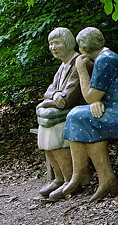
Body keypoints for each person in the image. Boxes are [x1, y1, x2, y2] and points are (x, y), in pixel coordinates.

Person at [48, 27, 118, 202]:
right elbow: (97, 95)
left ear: (83, 48)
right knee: (82, 118)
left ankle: (79, 176)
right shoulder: (105, 56)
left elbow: (90, 95)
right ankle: (104, 179)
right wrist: (96, 101)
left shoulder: (105, 60)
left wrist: (81, 69)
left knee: (77, 117)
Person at [35, 27, 90, 198]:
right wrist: (54, 96)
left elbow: (69, 98)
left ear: (67, 42)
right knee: (45, 130)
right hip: (66, 112)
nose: (53, 47)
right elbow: (50, 91)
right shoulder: (63, 66)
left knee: (55, 132)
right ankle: (59, 178)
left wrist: (52, 100)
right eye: (51, 44)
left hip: (79, 114)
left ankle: (70, 180)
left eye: (57, 43)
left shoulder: (79, 63)